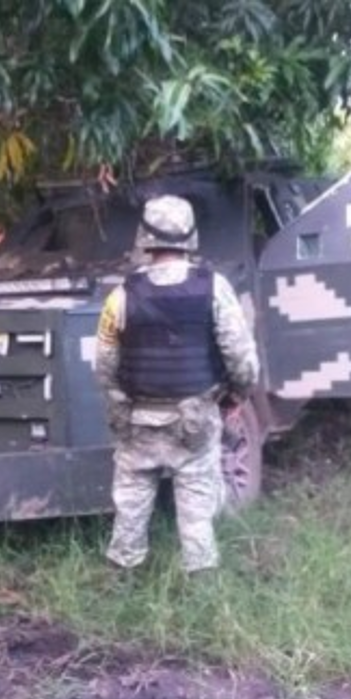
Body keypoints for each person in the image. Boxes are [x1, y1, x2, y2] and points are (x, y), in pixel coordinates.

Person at [94, 195, 260, 573]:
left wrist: (121, 401)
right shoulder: (214, 288)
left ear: (144, 238)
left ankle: (123, 576)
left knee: (131, 506)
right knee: (196, 510)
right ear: (190, 236)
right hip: (195, 421)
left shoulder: (120, 297)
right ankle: (200, 582)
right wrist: (237, 396)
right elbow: (242, 359)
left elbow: (103, 366)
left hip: (138, 422)